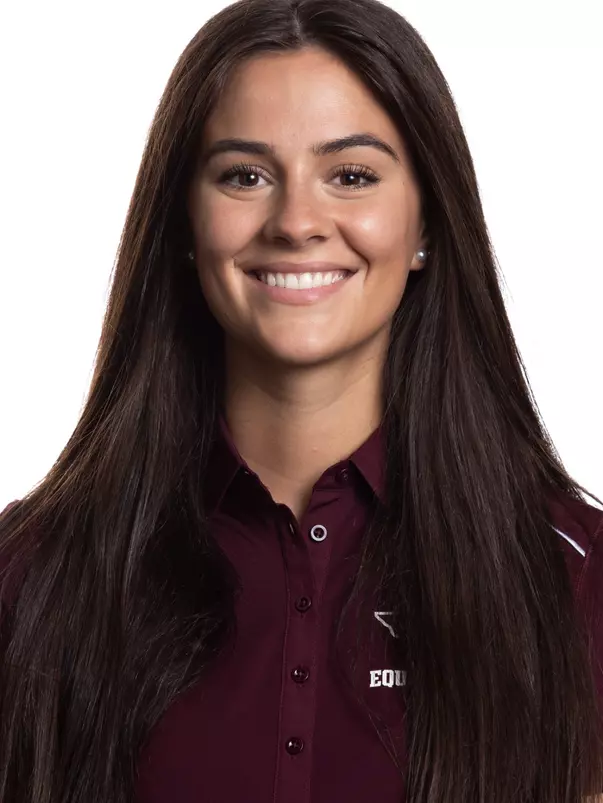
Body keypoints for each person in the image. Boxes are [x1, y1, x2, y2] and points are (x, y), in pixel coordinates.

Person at [0, 0, 602, 801]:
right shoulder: (33, 574)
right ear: (183, 225)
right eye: (244, 176)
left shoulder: (573, 574)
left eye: (350, 176)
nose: (295, 222)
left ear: (426, 223)